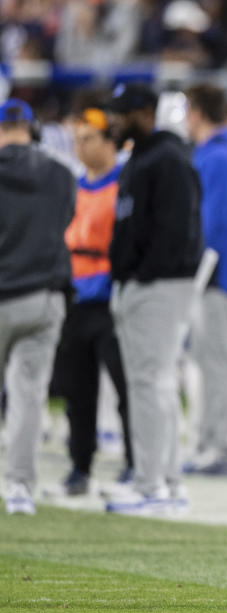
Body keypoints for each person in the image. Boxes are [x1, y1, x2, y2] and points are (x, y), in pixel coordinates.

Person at [103, 83, 203, 515]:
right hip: (144, 284)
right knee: (153, 384)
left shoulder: (168, 158)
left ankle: (153, 484)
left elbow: (176, 231)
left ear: (146, 113)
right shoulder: (143, 157)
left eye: (124, 113)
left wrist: (143, 275)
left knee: (151, 384)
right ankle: (166, 481)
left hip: (159, 285)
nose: (116, 121)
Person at [54, 104, 133, 496]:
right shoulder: (70, 186)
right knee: (77, 391)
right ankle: (79, 465)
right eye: (76, 140)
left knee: (125, 387)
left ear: (109, 141)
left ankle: (136, 462)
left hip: (110, 300)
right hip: (75, 299)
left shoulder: (124, 182)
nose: (81, 148)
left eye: (88, 139)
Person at [0, 98, 73, 515]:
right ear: (31, 130)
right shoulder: (60, 175)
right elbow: (66, 219)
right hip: (39, 298)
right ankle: (20, 489)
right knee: (29, 395)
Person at [182, 83, 227, 476]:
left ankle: (220, 447)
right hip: (210, 273)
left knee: (217, 363)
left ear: (198, 113)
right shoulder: (214, 153)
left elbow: (214, 225)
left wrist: (197, 272)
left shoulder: (221, 157)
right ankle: (209, 442)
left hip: (214, 275)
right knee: (207, 363)